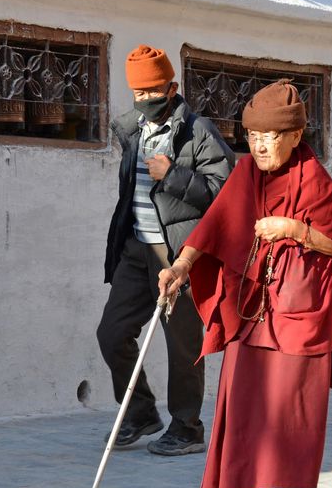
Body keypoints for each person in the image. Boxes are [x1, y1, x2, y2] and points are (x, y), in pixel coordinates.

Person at [158, 79, 332, 488]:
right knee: (248, 402)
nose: (259, 146)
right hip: (253, 310)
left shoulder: (314, 180)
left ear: (296, 137)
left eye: (270, 137)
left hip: (302, 314)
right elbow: (216, 223)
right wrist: (180, 266)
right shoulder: (247, 174)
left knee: (289, 408)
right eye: (253, 136)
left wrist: (295, 229)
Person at [99, 45, 235, 456]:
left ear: (172, 86)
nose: (146, 99)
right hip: (136, 249)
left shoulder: (198, 131)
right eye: (139, 92)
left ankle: (187, 426)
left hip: (179, 253)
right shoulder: (132, 130)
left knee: (182, 344)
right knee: (112, 334)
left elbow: (224, 192)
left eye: (153, 90)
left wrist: (173, 174)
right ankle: (140, 411)